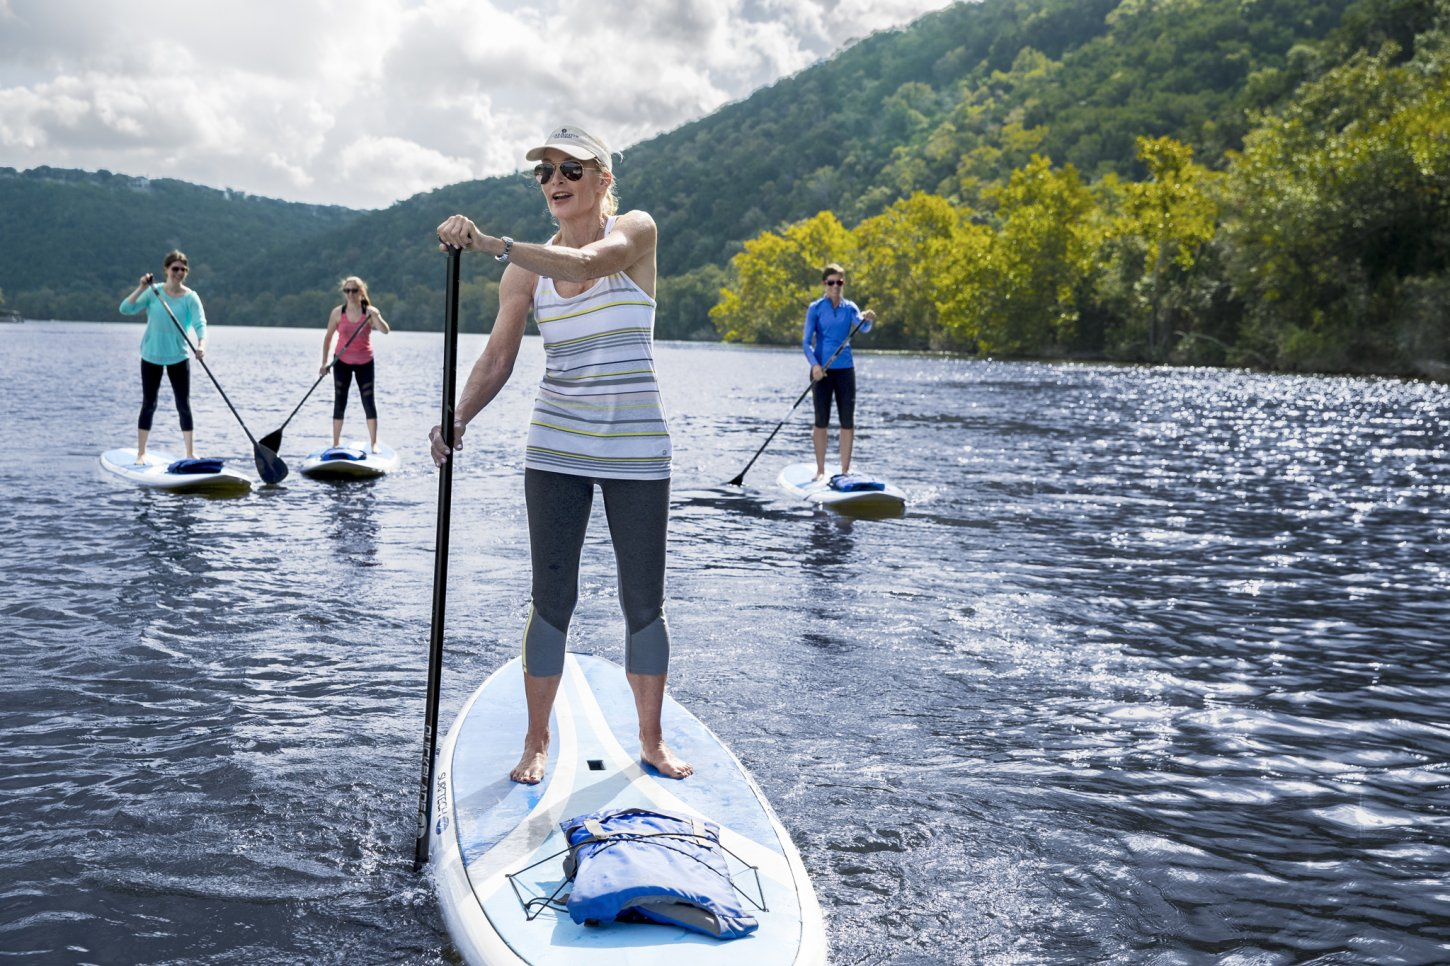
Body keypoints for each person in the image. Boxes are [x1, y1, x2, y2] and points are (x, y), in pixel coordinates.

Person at [432, 125, 693, 785]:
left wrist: (488, 244)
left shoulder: (635, 231)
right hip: (555, 446)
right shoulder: (527, 267)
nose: (554, 182)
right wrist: (457, 418)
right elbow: (498, 355)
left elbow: (585, 266)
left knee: (644, 601)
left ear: (603, 178)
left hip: (636, 448)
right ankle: (535, 742)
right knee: (551, 600)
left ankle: (653, 742)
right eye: (544, 172)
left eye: (570, 170)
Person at [118, 250, 206, 464]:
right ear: (166, 270)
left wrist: (201, 345)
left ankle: (189, 453)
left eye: (183, 269)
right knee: (149, 404)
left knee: (183, 404)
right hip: (151, 356)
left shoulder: (190, 298)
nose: (179, 273)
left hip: (178, 356)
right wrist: (141, 287)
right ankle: (141, 453)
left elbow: (200, 325)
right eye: (175, 268)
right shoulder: (153, 292)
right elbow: (125, 309)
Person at [802, 263, 877, 480]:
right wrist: (814, 365)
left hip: (845, 370)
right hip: (821, 372)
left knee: (847, 421)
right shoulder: (815, 308)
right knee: (821, 421)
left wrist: (868, 319)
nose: (836, 286)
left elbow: (862, 327)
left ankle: (845, 471)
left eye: (839, 282)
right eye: (831, 282)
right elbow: (806, 343)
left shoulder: (850, 307)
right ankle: (821, 470)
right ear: (824, 284)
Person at [321, 276, 391, 450]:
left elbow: (385, 331)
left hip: (365, 361)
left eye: (353, 291)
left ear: (361, 292)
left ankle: (373, 444)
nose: (350, 294)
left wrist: (377, 316)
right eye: (347, 291)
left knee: (368, 401)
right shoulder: (338, 313)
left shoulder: (369, 312)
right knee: (340, 400)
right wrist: (324, 363)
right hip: (341, 361)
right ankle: (336, 443)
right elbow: (328, 337)